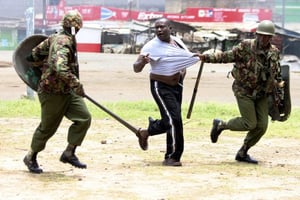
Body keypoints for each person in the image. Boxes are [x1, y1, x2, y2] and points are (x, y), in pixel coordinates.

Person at [199, 20, 284, 164]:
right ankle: (221, 125)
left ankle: (243, 152)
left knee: (262, 126)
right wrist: (206, 57)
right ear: (257, 34)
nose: (264, 39)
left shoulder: (274, 52)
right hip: (244, 90)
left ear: (271, 37)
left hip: (262, 94)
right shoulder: (246, 46)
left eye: (267, 36)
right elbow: (227, 56)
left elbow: (277, 76)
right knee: (250, 123)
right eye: (261, 35)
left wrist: (279, 96)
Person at [23, 10, 92, 173]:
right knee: (48, 127)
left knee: (83, 118)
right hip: (52, 92)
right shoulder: (62, 41)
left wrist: (42, 63)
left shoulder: (56, 37)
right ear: (78, 26)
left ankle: (69, 153)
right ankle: (30, 156)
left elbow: (33, 55)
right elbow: (60, 68)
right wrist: (77, 84)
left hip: (67, 90)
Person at [133, 18, 200, 166]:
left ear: (170, 28)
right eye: (156, 28)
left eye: (162, 27)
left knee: (171, 118)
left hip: (177, 85)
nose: (159, 30)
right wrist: (142, 62)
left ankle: (147, 131)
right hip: (160, 86)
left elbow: (185, 58)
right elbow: (136, 68)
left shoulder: (177, 42)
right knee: (174, 120)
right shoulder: (151, 46)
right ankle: (172, 156)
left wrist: (191, 64)